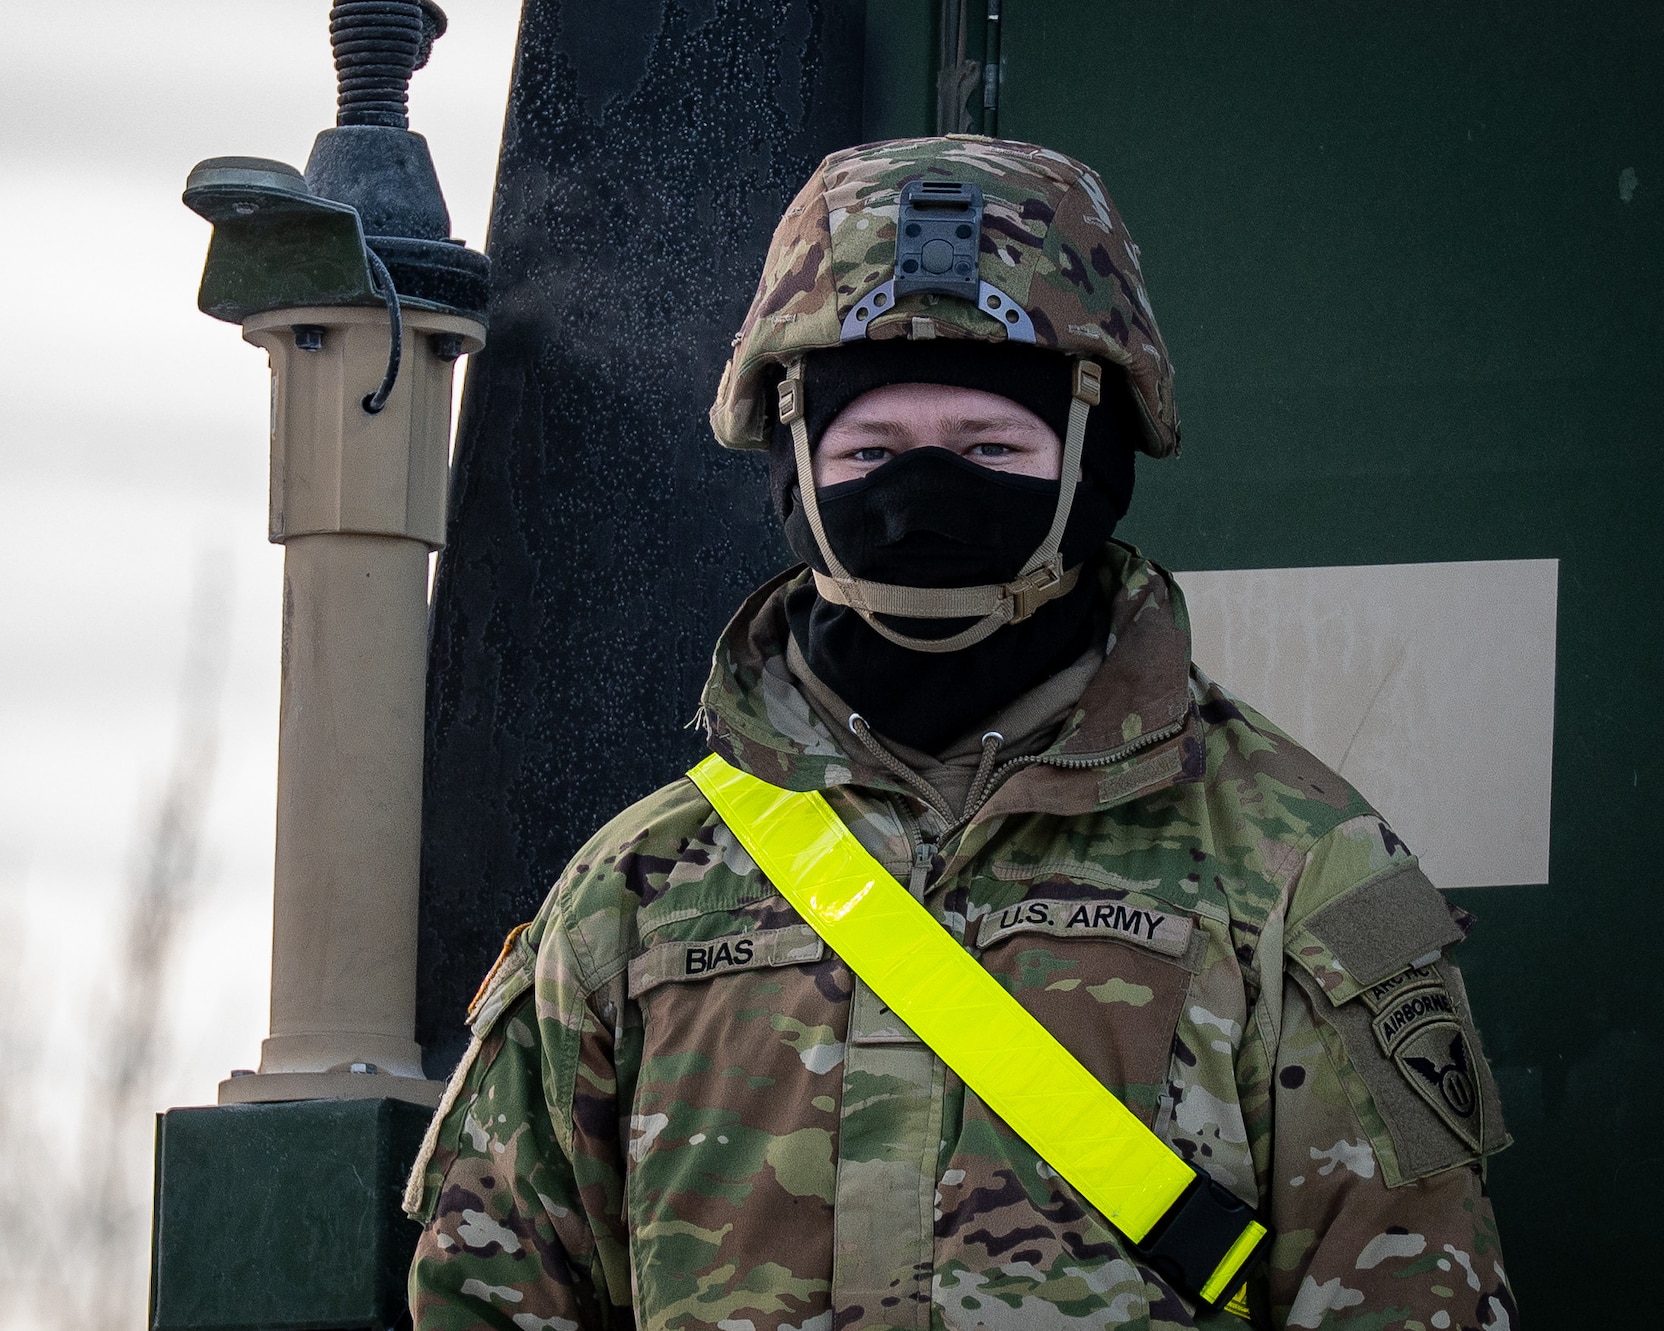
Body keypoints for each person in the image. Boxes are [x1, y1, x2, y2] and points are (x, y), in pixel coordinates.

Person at [402, 137, 1515, 1331]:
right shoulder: (625, 894)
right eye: (870, 451)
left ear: (1099, 462)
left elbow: (1410, 1294)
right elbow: (492, 1293)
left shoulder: (1318, 868)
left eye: (991, 449)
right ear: (793, 471)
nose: (921, 494)